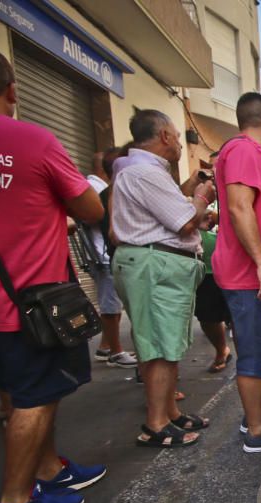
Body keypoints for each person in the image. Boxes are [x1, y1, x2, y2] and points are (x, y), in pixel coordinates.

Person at [0, 42, 106, 503]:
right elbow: (91, 211)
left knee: (24, 393)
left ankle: (49, 470)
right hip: (34, 303)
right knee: (35, 398)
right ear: (12, 90)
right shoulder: (33, 141)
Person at [110, 109, 214, 447]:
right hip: (155, 265)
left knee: (165, 343)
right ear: (165, 136)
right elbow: (184, 222)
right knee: (159, 345)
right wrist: (201, 199)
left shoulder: (138, 171)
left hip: (153, 264)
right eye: (178, 138)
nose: (181, 146)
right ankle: (156, 424)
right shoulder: (145, 173)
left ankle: (169, 412)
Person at [212, 92, 261, 453]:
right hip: (247, 276)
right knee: (255, 354)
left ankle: (256, 414)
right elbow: (241, 208)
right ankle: (257, 431)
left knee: (256, 349)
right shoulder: (243, 150)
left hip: (247, 274)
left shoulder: (249, 154)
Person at [85, 148, 137, 368]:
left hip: (105, 255)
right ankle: (114, 351)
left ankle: (107, 347)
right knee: (110, 305)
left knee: (113, 304)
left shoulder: (103, 188)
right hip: (103, 255)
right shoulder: (100, 189)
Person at [194, 210, 233, 373]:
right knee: (207, 317)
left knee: (239, 318)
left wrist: (219, 216)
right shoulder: (197, 189)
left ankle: (247, 363)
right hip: (204, 267)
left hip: (231, 261)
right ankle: (221, 349)